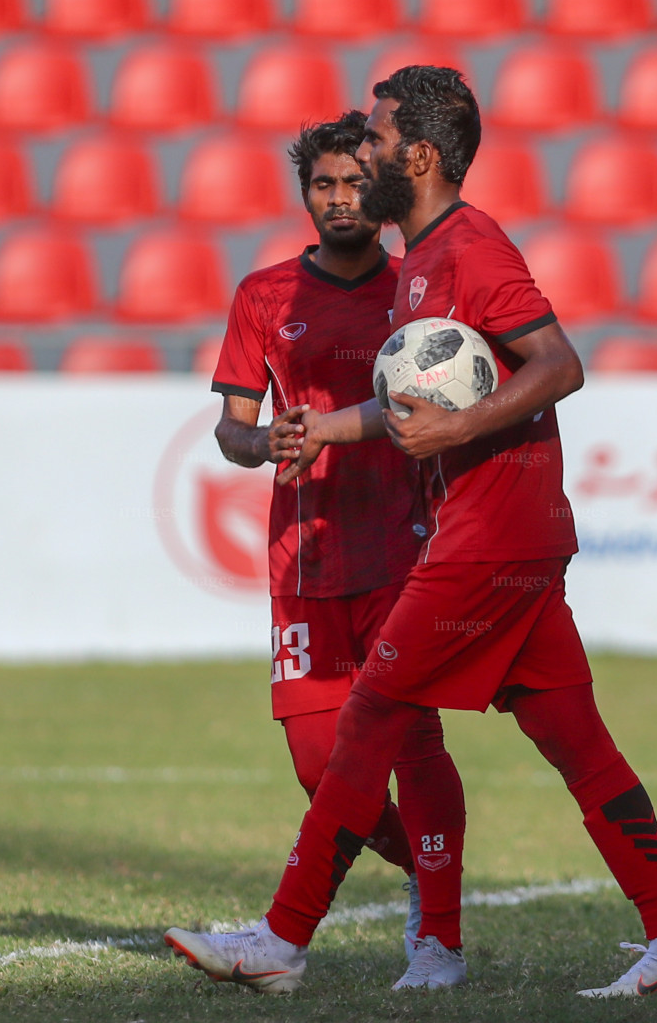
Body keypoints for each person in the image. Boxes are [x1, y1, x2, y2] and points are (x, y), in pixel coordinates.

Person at [166, 66, 657, 999]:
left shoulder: (470, 247)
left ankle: (281, 940)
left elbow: (559, 363)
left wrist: (462, 430)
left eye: (377, 141)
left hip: (486, 534)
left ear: (418, 155)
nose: (364, 153)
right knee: (576, 741)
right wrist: (328, 430)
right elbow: (415, 406)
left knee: (374, 717)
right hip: (512, 534)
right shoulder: (421, 261)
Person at [197, 112, 468, 989]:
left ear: (379, 191)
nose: (341, 198)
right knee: (322, 764)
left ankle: (438, 934)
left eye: (356, 182)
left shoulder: (416, 291)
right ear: (305, 192)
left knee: (412, 743)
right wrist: (262, 443)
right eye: (325, 184)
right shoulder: (264, 295)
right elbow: (232, 431)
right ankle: (421, 873)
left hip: (405, 550)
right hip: (303, 558)